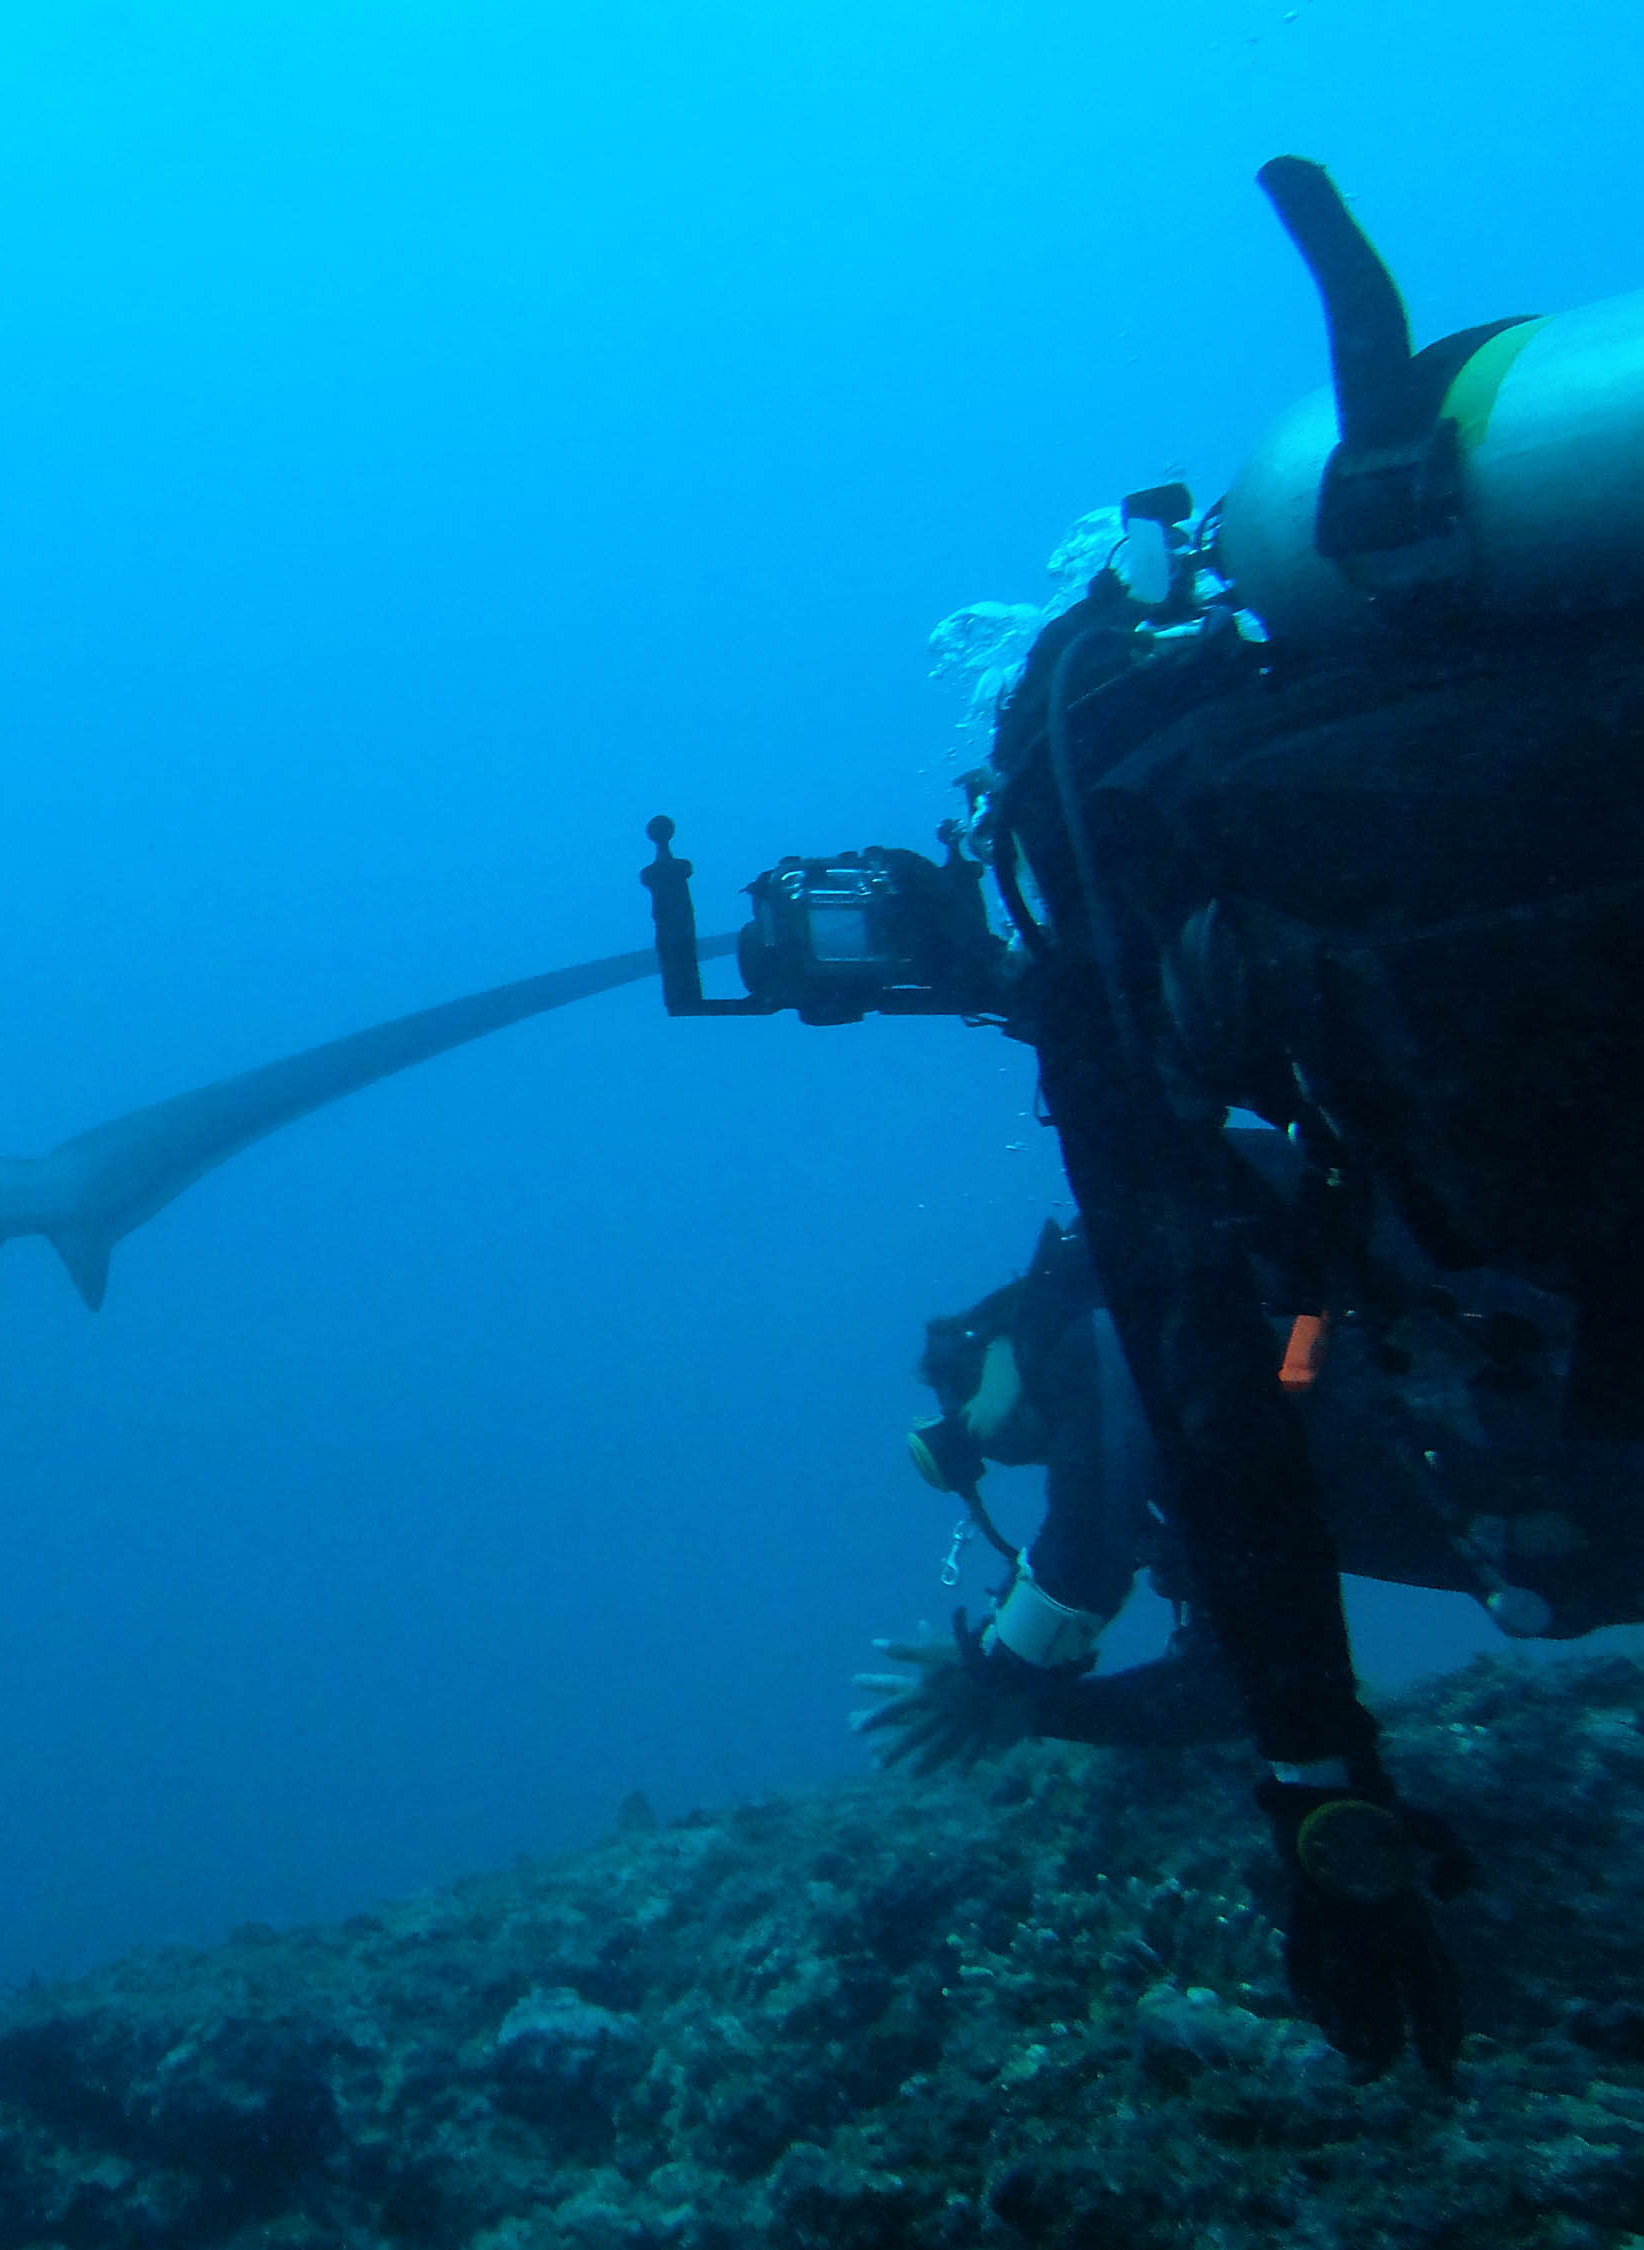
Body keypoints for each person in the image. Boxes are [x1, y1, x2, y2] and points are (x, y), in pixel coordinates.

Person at [641, 156, 1644, 2080]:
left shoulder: (1123, 926)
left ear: (1013, 832)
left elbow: (1167, 1361)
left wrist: (1307, 1800)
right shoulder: (1329, 791)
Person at [857, 1194, 1644, 1770]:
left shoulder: (1095, 1325)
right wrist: (1039, 1711)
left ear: (990, 1342)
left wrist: (1002, 1676)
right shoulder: (1198, 1462)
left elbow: (1084, 1554)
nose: (995, 1448)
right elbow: (1231, 1688)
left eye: (961, 1407)